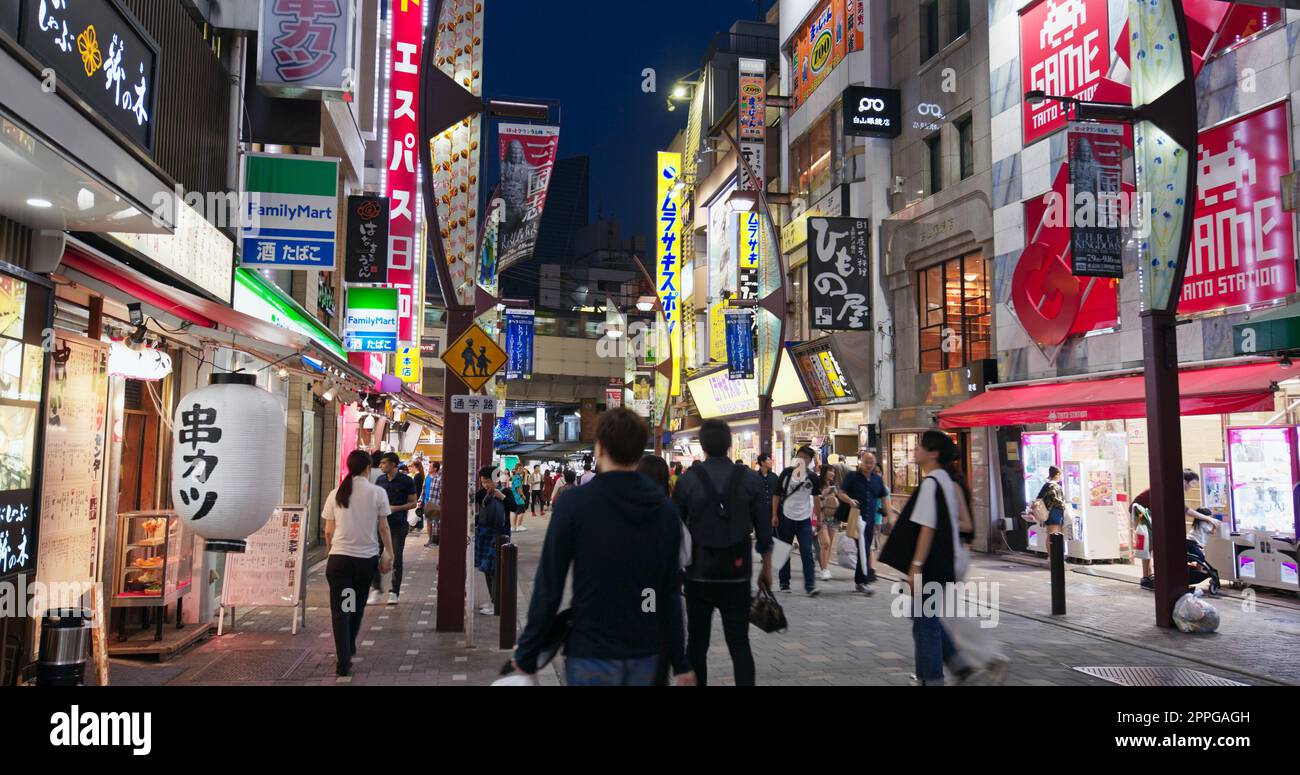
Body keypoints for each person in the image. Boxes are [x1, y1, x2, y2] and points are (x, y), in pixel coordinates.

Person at [513, 409, 694, 686]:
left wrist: (528, 651)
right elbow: (669, 590)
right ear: (638, 452)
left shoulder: (574, 504)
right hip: (647, 651)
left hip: (590, 649)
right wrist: (680, 662)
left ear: (599, 448)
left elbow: (550, 584)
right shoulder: (664, 511)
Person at [898, 430, 1007, 686]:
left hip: (938, 561)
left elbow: (929, 527)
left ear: (933, 453)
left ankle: (959, 668)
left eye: (919, 446)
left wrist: (915, 566)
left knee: (932, 619)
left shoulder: (936, 482)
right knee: (928, 617)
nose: (915, 450)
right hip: (944, 559)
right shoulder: (946, 481)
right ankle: (959, 667)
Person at [673, 419, 773, 686]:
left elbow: (676, 531)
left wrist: (675, 570)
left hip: (698, 574)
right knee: (740, 644)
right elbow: (764, 530)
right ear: (730, 444)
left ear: (703, 446)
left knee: (696, 644)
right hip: (737, 574)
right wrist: (766, 567)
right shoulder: (751, 480)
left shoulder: (687, 481)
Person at [323, 450, 394, 677]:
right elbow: (383, 527)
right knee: (354, 606)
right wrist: (389, 554)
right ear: (367, 468)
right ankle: (348, 649)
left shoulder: (337, 493)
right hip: (365, 562)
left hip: (340, 560)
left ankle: (344, 656)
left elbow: (328, 531)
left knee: (342, 609)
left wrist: (331, 553)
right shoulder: (377, 493)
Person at [1132, 469, 1201, 590]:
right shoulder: (1170, 489)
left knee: (1151, 546)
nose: (1193, 486)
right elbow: (1186, 510)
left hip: (1145, 513)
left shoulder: (1171, 488)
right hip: (1141, 514)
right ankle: (1146, 577)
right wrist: (1207, 518)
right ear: (1185, 482)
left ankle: (1148, 576)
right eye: (1193, 483)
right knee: (1149, 545)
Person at [839, 452, 891, 594]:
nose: (869, 465)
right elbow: (841, 493)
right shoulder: (852, 476)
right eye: (866, 462)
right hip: (855, 518)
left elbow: (884, 497)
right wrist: (849, 500)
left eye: (871, 463)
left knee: (865, 548)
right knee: (864, 548)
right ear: (861, 462)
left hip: (870, 520)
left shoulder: (877, 480)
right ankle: (863, 581)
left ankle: (860, 581)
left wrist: (887, 517)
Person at [370, 452, 418, 605]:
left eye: (384, 463)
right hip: (380, 524)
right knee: (373, 555)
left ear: (393, 464)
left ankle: (394, 591)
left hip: (398, 525)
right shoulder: (380, 480)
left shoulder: (406, 481)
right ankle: (376, 588)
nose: (380, 466)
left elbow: (413, 503)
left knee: (396, 557)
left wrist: (395, 508)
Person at [774, 446, 822, 596]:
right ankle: (784, 582)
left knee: (807, 552)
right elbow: (776, 495)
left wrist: (819, 519)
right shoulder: (787, 473)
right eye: (801, 456)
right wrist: (773, 515)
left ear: (810, 460)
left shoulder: (812, 477)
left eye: (807, 457)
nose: (803, 459)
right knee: (784, 550)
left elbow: (816, 499)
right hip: (786, 517)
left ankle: (810, 585)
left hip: (804, 519)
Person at [474, 466, 511, 615]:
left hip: (500, 534)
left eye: (488, 481)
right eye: (483, 482)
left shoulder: (505, 492)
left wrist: (502, 497)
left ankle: (497, 604)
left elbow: (515, 507)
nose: (485, 485)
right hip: (484, 534)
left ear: (495, 479)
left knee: (496, 570)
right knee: (486, 569)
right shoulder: (482, 493)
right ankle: (493, 600)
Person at [1186, 509, 1222, 595]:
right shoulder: (1203, 524)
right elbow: (1212, 532)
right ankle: (1199, 571)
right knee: (1201, 558)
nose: (1210, 518)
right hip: (1192, 543)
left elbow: (1211, 532)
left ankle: (1199, 570)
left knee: (1200, 557)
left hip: (1190, 542)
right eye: (1209, 516)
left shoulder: (1198, 523)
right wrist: (1215, 524)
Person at [816, 464, 841, 581]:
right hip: (821, 517)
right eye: (830, 471)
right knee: (825, 543)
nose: (832, 474)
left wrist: (837, 495)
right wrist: (823, 494)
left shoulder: (834, 486)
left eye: (834, 472)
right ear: (824, 472)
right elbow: (814, 500)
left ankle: (825, 567)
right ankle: (824, 569)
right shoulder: (818, 485)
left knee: (829, 544)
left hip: (833, 519)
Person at [1037, 467, 1066, 538]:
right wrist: (1065, 505)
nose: (1061, 477)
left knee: (1050, 535)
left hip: (1048, 513)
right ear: (1057, 474)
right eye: (1061, 475)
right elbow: (1057, 501)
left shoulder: (1046, 485)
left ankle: (1051, 549)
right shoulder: (1054, 486)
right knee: (1054, 535)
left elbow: (1039, 497)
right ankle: (1054, 549)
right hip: (1055, 513)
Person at [420, 461, 442, 547]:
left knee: (436, 523)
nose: (429, 468)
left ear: (435, 468)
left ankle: (435, 541)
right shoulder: (427, 477)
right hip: (427, 503)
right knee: (428, 522)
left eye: (430, 466)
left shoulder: (439, 478)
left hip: (435, 503)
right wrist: (421, 501)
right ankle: (430, 540)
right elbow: (424, 490)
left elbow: (441, 492)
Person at [756, 453, 781, 525]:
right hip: (760, 510)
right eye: (768, 459)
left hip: (774, 510)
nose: (771, 461)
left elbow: (778, 492)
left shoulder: (774, 476)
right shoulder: (755, 476)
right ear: (762, 462)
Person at [410, 460, 426, 532]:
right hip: (420, 496)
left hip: (417, 496)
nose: (411, 468)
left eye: (412, 466)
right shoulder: (421, 475)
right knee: (418, 511)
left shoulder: (417, 476)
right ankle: (418, 526)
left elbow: (416, 488)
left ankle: (417, 526)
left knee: (417, 512)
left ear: (415, 467)